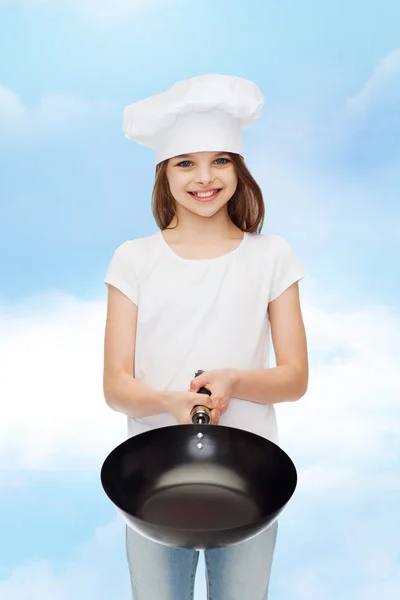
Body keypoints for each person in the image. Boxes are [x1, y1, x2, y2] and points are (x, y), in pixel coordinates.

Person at [102, 74, 309, 600]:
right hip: (155, 474)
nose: (204, 178)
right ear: (164, 173)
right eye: (185, 163)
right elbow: (116, 386)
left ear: (239, 169)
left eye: (220, 160)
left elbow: (294, 379)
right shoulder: (135, 259)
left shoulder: (271, 256)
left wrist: (235, 380)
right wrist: (171, 401)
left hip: (249, 477)